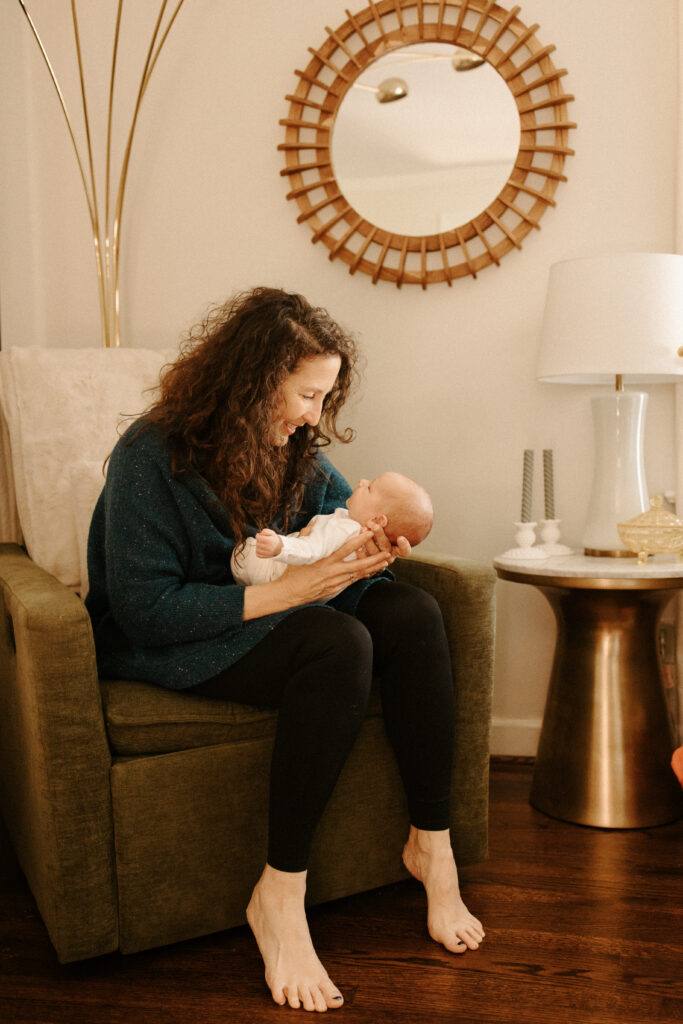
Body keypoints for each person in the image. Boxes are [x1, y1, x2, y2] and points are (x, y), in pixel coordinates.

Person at [85, 286, 484, 1014]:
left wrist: (370, 549)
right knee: (338, 643)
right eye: (304, 394)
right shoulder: (152, 454)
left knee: (415, 614)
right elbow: (144, 611)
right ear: (249, 381)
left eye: (322, 396)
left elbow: (338, 520)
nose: (312, 415)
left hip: (268, 610)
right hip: (179, 636)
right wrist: (296, 593)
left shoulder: (294, 447)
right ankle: (280, 891)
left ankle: (432, 841)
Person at [230, 471, 433, 586]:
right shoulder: (354, 526)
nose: (361, 481)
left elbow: (310, 550)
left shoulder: (344, 530)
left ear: (378, 520)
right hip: (293, 583)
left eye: (369, 487)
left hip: (271, 574)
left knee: (246, 550)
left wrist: (279, 545)